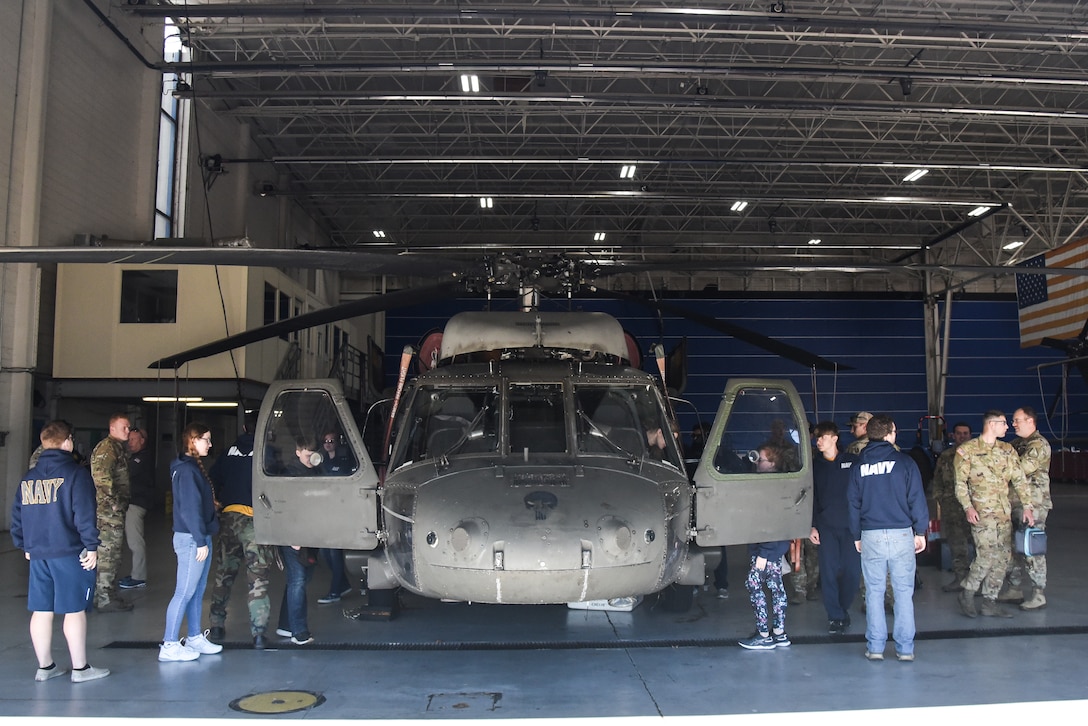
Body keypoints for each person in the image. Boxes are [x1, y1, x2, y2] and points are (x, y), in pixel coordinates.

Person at [11, 420, 110, 683]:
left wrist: (24, 545)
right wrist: (91, 546)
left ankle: (45, 667)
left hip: (39, 555)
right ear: (68, 442)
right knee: (74, 609)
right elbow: (85, 515)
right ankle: (80, 669)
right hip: (69, 552)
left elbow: (17, 517)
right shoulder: (76, 475)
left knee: (42, 610)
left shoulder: (28, 478)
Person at [848, 414, 929, 662]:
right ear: (889, 434)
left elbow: (852, 503)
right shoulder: (904, 463)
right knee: (903, 592)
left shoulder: (859, 465)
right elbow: (917, 498)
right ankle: (905, 649)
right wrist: (920, 531)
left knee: (874, 592)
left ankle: (875, 647)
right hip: (901, 533)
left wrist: (856, 535)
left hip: (870, 534)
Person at [953, 410, 1035, 619]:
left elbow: (1019, 480)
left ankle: (990, 601)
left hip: (1003, 514)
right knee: (986, 555)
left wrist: (1027, 506)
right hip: (982, 515)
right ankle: (968, 592)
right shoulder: (967, 451)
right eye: (1004, 424)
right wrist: (968, 507)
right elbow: (960, 484)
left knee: (1002, 558)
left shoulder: (1007, 450)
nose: (1007, 427)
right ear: (992, 424)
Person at [159, 423, 222, 662]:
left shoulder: (191, 468)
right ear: (192, 441)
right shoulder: (186, 471)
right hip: (192, 539)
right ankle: (169, 643)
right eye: (206, 439)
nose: (210, 444)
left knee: (196, 591)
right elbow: (190, 509)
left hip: (199, 536)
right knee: (184, 591)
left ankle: (194, 636)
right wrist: (200, 540)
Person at [208, 429, 274, 649]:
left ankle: (216, 625)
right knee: (257, 577)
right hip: (253, 521)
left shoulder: (228, 452)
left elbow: (212, 479)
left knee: (224, 574)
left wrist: (217, 502)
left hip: (228, 517)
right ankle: (258, 634)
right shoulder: (267, 452)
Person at [809, 421, 861, 635]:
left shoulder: (853, 462)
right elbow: (811, 497)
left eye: (822, 437)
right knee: (828, 573)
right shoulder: (814, 466)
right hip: (826, 527)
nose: (818, 441)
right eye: (817, 438)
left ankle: (842, 608)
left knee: (852, 572)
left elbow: (862, 494)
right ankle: (835, 616)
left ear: (834, 438)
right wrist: (812, 525)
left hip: (851, 527)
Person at [737, 445, 791, 650]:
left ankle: (763, 634)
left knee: (754, 584)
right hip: (775, 550)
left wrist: (763, 555)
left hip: (767, 550)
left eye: (762, 460)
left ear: (773, 463)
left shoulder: (770, 486)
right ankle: (779, 633)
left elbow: (770, 522)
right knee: (776, 589)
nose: (758, 462)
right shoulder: (780, 483)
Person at [1004, 406, 1051, 610]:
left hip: (1033, 505)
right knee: (1011, 548)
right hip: (1013, 503)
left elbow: (1020, 470)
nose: (1013, 424)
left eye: (1017, 420)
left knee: (1031, 548)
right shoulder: (1016, 444)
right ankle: (1014, 588)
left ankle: (1038, 593)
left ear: (1030, 421)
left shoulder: (1039, 445)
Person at [275, 438, 319, 645]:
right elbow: (286, 508)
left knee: (298, 580)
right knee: (298, 581)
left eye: (312, 452)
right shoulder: (290, 475)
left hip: (309, 535)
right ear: (297, 452)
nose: (310, 457)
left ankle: (286, 625)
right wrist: (293, 536)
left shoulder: (315, 472)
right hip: (295, 536)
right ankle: (299, 631)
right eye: (306, 452)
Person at [90, 413, 133, 613]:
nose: (128, 431)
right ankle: (104, 597)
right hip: (108, 514)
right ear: (112, 428)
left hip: (114, 512)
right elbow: (101, 476)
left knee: (113, 553)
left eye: (128, 427)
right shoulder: (107, 449)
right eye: (124, 427)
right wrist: (113, 503)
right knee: (108, 554)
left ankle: (107, 593)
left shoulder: (117, 448)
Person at [931, 422, 973, 592]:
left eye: (965, 433)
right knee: (957, 545)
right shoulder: (946, 456)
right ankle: (960, 578)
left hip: (974, 508)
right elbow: (937, 480)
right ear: (953, 436)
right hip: (951, 507)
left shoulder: (977, 455)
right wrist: (941, 498)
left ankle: (977, 581)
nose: (962, 436)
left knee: (979, 545)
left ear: (970, 435)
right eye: (958, 433)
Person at [317, 431, 352, 605]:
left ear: (337, 442)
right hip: (325, 510)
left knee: (334, 552)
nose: (328, 443)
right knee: (325, 552)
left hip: (339, 510)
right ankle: (343, 584)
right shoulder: (320, 461)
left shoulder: (345, 459)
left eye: (332, 440)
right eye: (326, 441)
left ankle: (335, 591)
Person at [119, 427, 155, 590]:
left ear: (142, 441)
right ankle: (135, 573)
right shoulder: (133, 457)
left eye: (134, 439)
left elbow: (126, 473)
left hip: (137, 504)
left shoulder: (143, 458)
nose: (130, 443)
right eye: (129, 439)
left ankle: (139, 576)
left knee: (135, 541)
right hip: (131, 502)